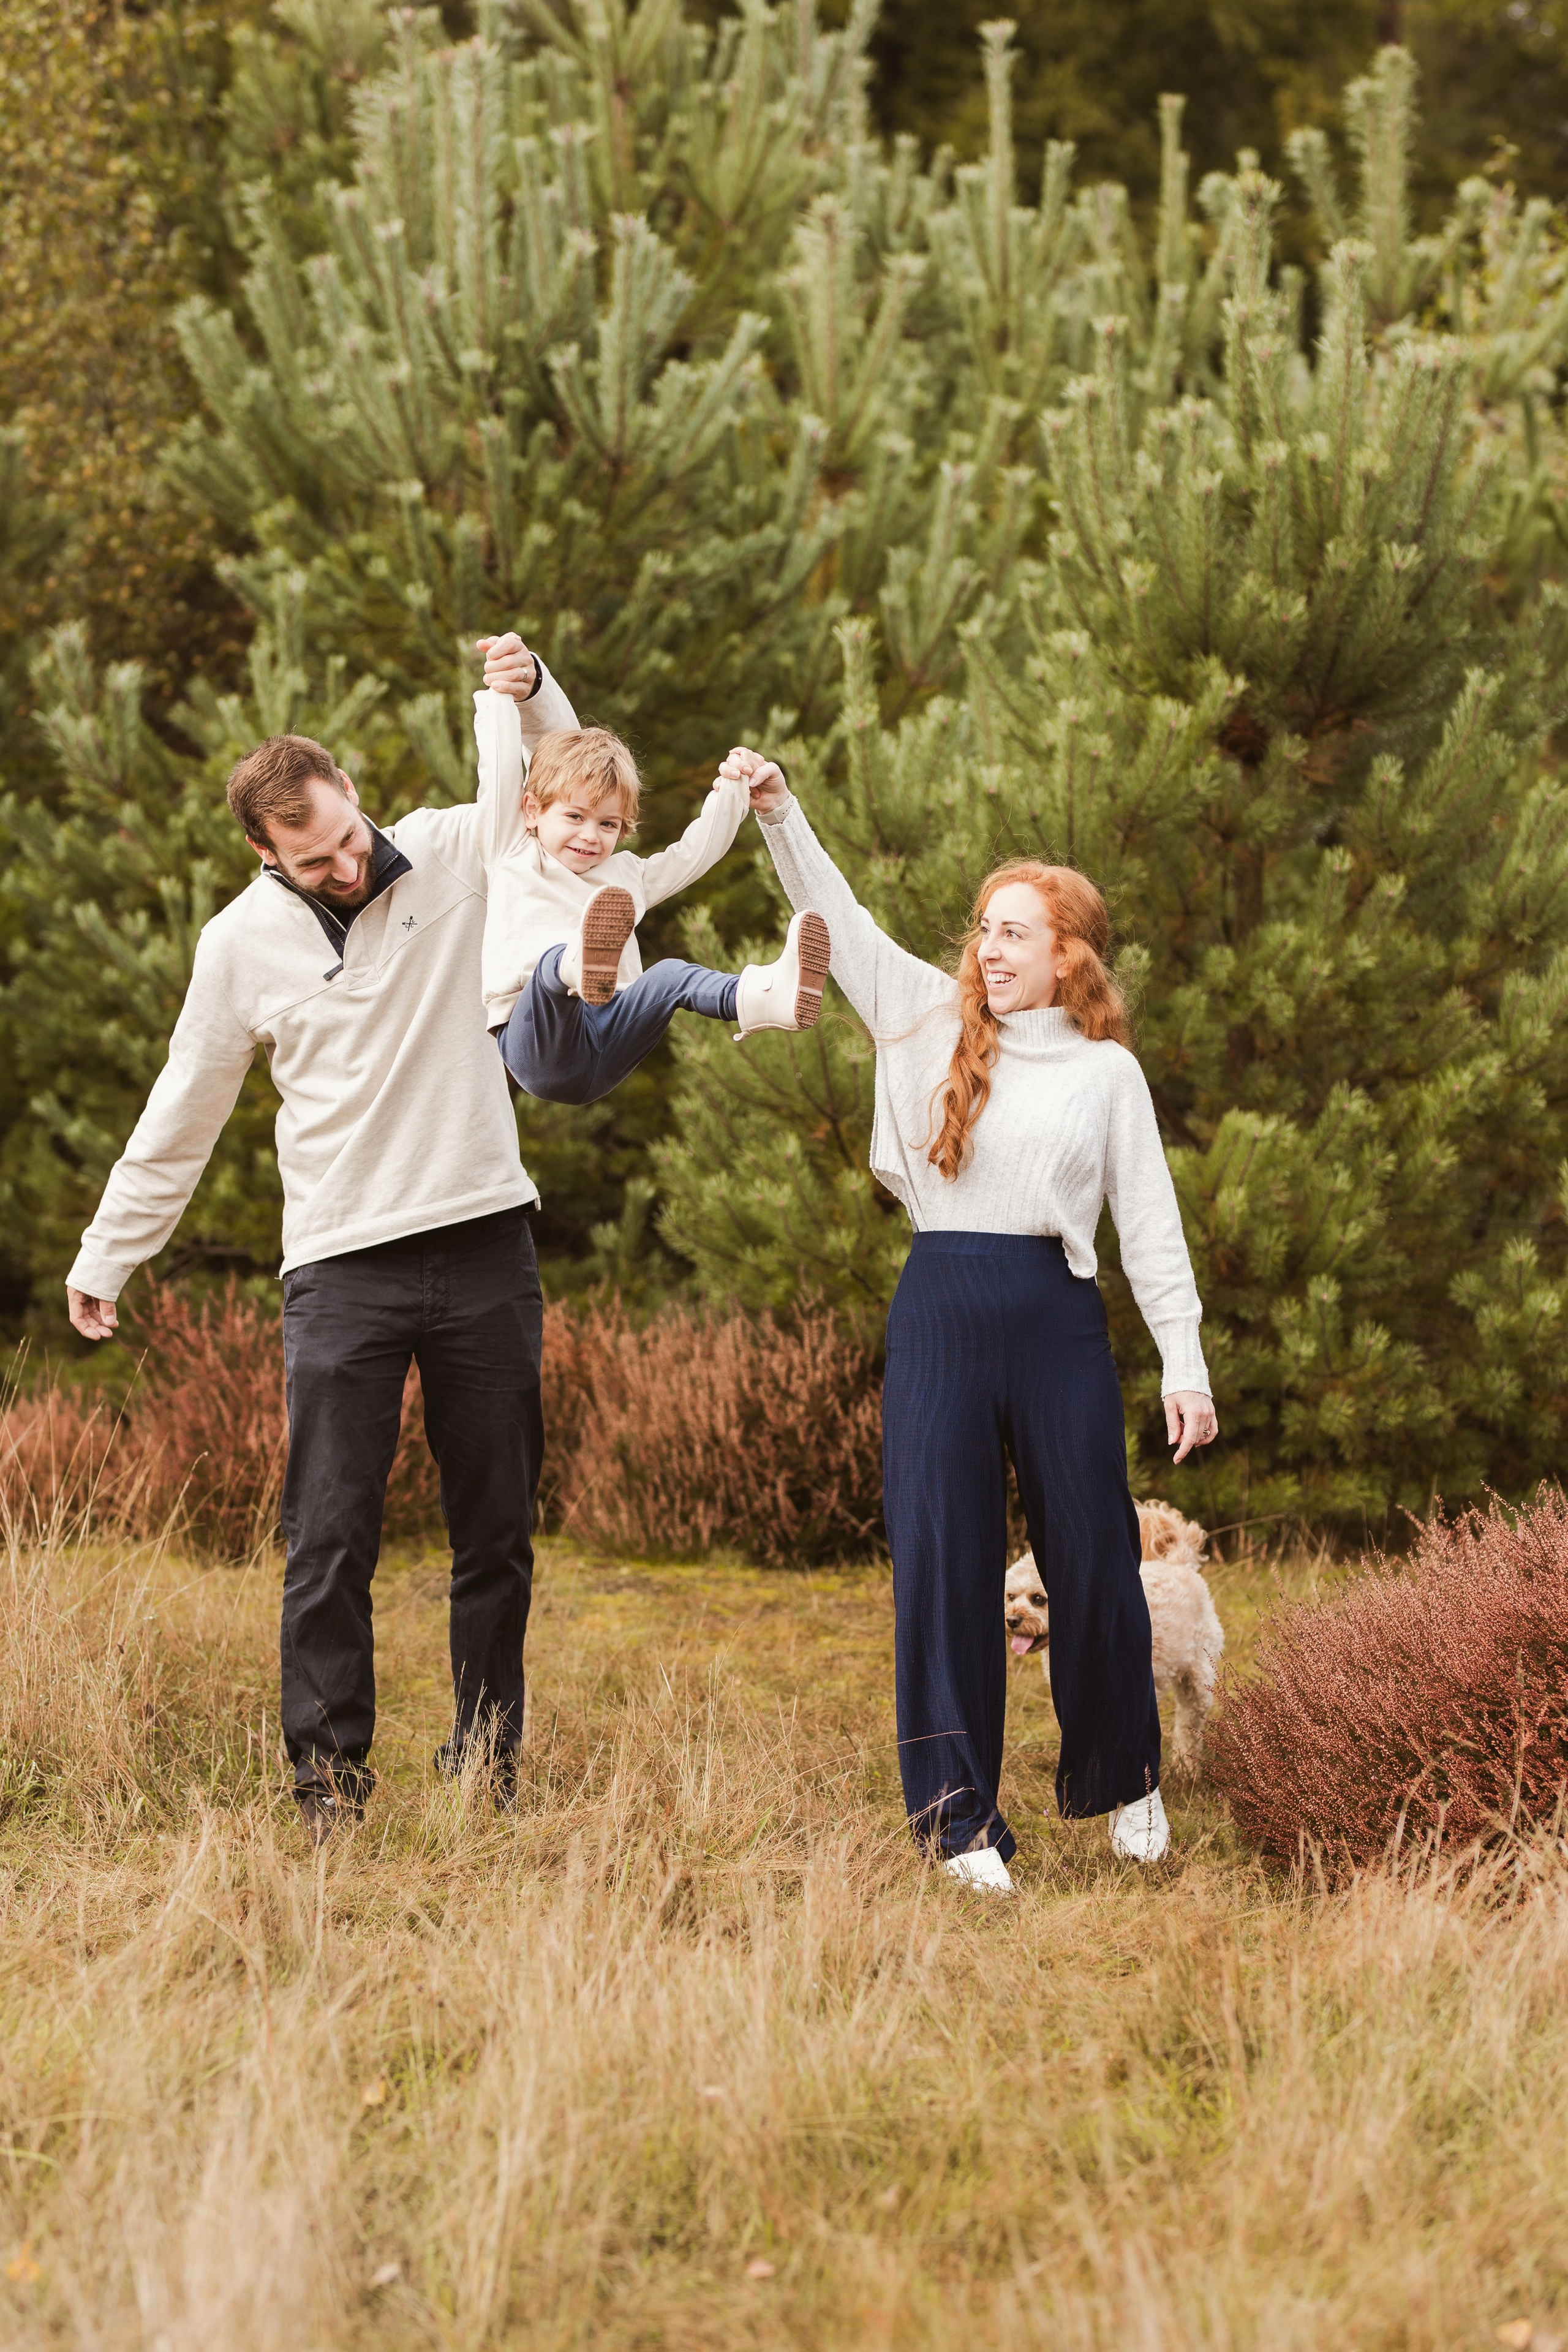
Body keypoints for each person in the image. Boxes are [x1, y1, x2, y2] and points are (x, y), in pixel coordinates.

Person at [66, 636, 575, 1842]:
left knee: (495, 1531)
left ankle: (487, 1762)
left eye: (348, 837)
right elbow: (184, 1109)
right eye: (314, 859)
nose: (347, 865)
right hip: (341, 1267)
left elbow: (562, 782)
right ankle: (327, 1786)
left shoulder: (454, 849)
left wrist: (532, 685)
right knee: (330, 1536)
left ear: (352, 792)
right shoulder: (239, 946)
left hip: (483, 1240)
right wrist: (109, 1251)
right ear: (265, 855)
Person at [725, 746, 1219, 1887]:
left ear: (1067, 954)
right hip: (941, 1311)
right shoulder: (919, 1016)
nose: (990, 949)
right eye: (985, 930)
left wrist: (1184, 1364)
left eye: (1016, 933)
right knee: (945, 1567)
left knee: (1095, 1558)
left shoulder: (1106, 1074)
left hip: (1057, 1319)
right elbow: (837, 915)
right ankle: (957, 1821)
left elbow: (1150, 1225)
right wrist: (779, 811)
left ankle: (1128, 1781)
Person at [476, 643, 831, 1102]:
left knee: (668, 977)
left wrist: (734, 790)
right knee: (551, 966)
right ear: (532, 810)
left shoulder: (627, 875)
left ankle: (765, 997)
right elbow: (499, 770)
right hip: (539, 1046)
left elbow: (693, 855)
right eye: (575, 817)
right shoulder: (510, 849)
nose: (590, 836)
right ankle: (577, 964)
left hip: (607, 1042)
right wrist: (501, 696)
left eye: (608, 824)